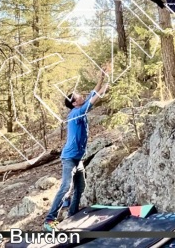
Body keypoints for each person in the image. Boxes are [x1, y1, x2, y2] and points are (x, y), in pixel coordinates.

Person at [43, 73, 108, 232]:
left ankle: (72, 213)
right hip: (69, 158)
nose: (81, 96)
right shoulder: (76, 113)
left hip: (78, 159)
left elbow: (94, 92)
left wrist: (102, 77)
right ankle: (50, 220)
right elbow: (96, 98)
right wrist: (106, 86)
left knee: (81, 186)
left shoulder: (80, 108)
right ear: (74, 103)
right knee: (66, 187)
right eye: (78, 96)